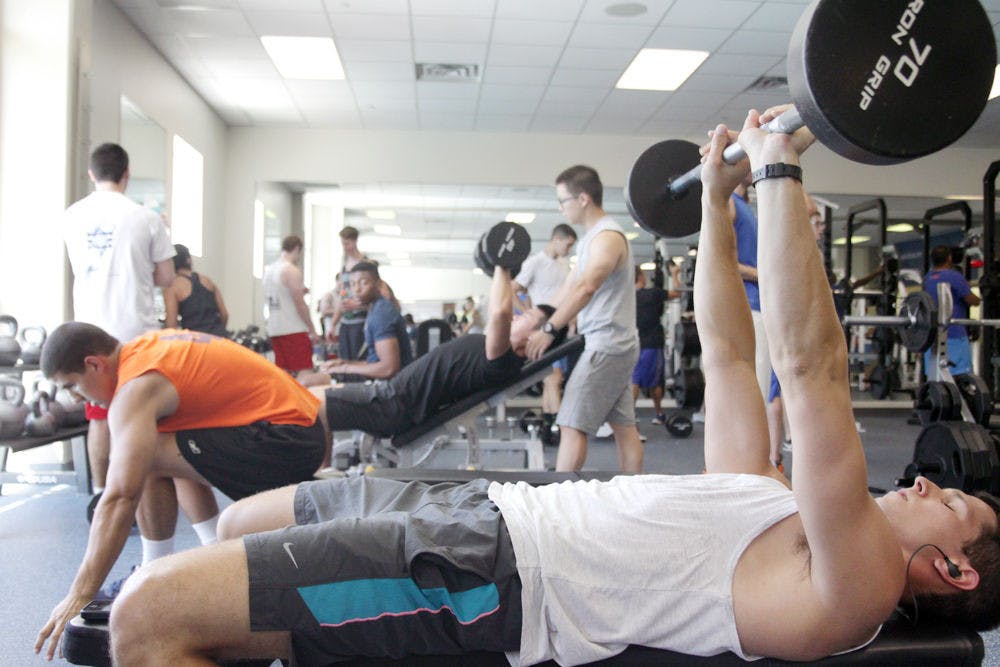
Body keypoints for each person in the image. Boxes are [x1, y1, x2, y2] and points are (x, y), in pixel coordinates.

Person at [101, 109, 1000, 666]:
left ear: (952, 569)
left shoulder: (854, 586)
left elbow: (813, 372)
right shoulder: (769, 502)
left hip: (486, 574)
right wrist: (721, 206)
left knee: (145, 618)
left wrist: (778, 172)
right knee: (253, 517)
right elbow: (730, 354)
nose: (924, 479)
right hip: (491, 514)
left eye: (951, 499)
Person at [33, 323, 327, 658]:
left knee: (145, 455)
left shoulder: (137, 386)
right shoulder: (146, 348)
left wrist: (80, 592)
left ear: (94, 364)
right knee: (159, 442)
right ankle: (209, 556)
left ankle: (152, 574)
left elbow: (119, 497)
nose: (75, 397)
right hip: (300, 428)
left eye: (73, 386)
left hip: (289, 437)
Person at [309, 265, 568, 440]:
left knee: (307, 403)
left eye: (527, 316)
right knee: (306, 399)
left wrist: (502, 264)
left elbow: (500, 311)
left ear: (536, 336)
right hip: (389, 398)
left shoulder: (503, 360)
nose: (519, 316)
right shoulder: (499, 351)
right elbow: (560, 297)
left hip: (391, 404)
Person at [62, 142, 176, 526]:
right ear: (126, 174)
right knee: (145, 416)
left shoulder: (72, 216)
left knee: (99, 417)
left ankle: (101, 496)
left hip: (89, 331)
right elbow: (166, 278)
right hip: (135, 333)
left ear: (92, 174)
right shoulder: (145, 218)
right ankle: (136, 496)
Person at [526, 165, 643, 473]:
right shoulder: (589, 240)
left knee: (570, 423)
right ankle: (632, 495)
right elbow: (568, 287)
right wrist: (535, 318)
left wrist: (551, 329)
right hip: (611, 342)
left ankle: (557, 500)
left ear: (583, 199)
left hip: (607, 345)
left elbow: (586, 286)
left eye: (562, 200)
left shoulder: (608, 238)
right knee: (624, 426)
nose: (560, 208)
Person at [513, 223, 577, 439]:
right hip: (543, 330)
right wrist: (528, 313)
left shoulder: (564, 264)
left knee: (551, 379)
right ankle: (556, 426)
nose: (568, 250)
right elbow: (512, 289)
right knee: (554, 378)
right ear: (556, 239)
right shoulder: (535, 263)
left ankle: (549, 423)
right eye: (567, 245)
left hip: (561, 327)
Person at [320, 261, 412, 380]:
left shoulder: (381, 314)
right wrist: (343, 363)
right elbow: (374, 362)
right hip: (380, 383)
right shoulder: (375, 309)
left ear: (378, 285)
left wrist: (345, 369)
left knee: (309, 384)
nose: (357, 289)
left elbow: (388, 368)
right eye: (352, 284)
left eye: (363, 283)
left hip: (389, 390)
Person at [262, 235, 320, 379]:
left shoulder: (269, 271)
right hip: (293, 329)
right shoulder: (291, 270)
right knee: (304, 374)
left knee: (283, 375)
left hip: (275, 330)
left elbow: (281, 295)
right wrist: (312, 329)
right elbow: (300, 304)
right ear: (297, 249)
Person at [632, 263, 681, 425]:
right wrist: (675, 274)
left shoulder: (625, 298)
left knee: (634, 380)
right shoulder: (653, 293)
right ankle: (659, 413)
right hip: (652, 344)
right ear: (641, 276)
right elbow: (678, 293)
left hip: (632, 344)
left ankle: (629, 419)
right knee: (655, 382)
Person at [924, 244, 981, 378]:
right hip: (954, 334)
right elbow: (973, 301)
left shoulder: (928, 278)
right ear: (949, 258)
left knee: (935, 375)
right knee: (960, 375)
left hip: (932, 335)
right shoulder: (954, 276)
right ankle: (957, 398)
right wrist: (976, 295)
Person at [163, 243, 229, 338]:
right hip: (220, 340)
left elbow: (171, 325)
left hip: (197, 341)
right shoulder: (208, 281)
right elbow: (224, 314)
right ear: (188, 259)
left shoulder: (172, 287)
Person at [327, 226, 370, 361]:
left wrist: (357, 305)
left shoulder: (365, 263)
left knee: (358, 360)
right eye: (343, 244)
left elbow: (371, 295)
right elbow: (342, 296)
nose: (345, 247)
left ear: (355, 241)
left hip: (361, 322)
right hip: (346, 322)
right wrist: (333, 324)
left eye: (347, 243)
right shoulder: (344, 265)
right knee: (345, 360)